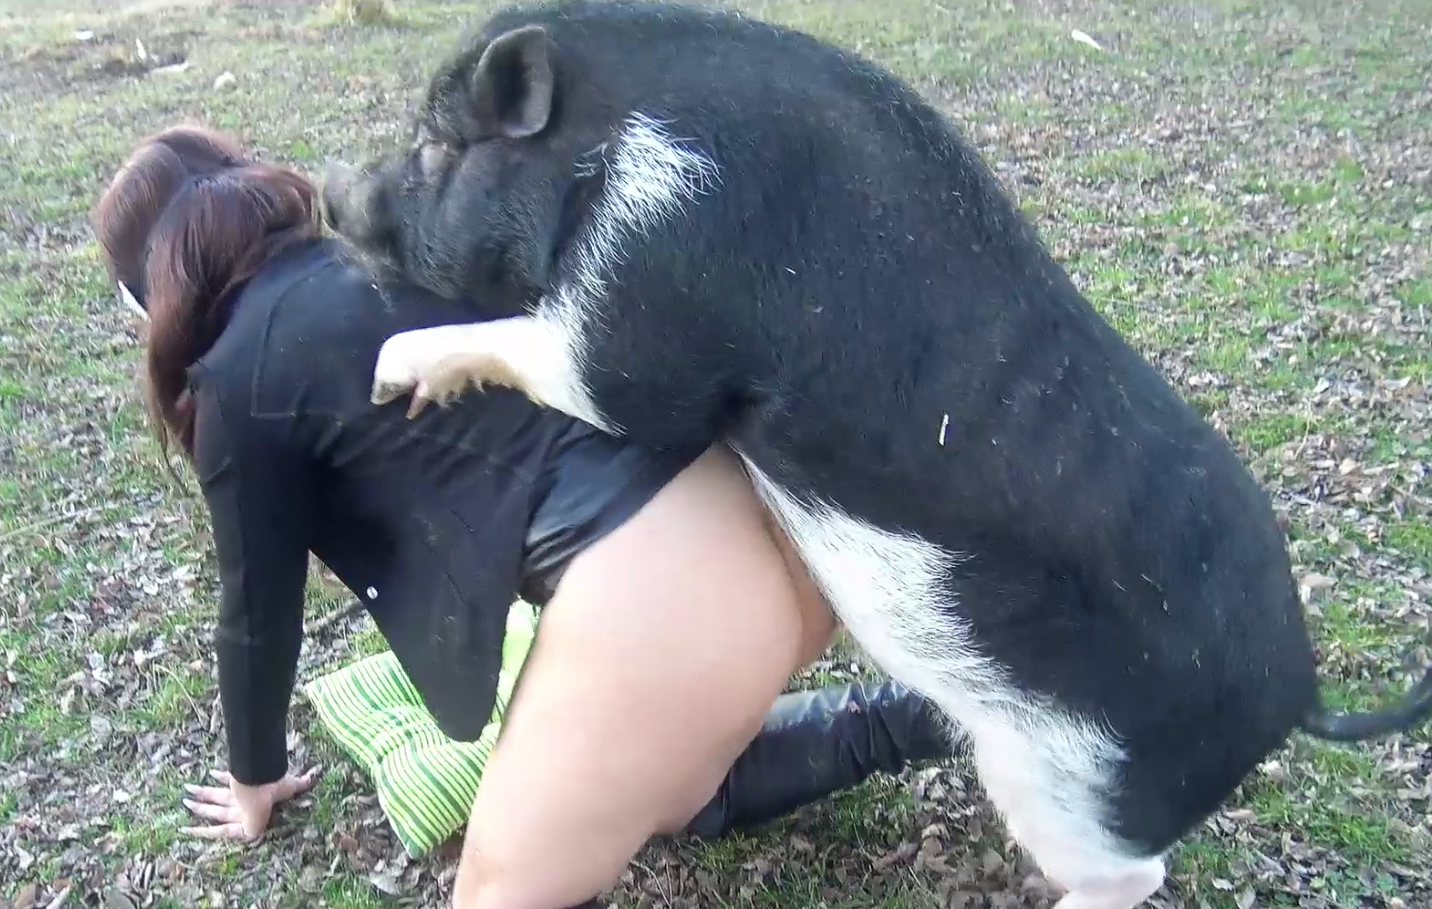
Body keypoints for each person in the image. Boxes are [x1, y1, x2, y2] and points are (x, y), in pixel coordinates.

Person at [91, 124, 951, 909]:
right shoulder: (388, 250)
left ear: (149, 293)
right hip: (785, 521)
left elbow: (256, 612)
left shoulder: (236, 382)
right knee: (661, 786)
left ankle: (942, 712)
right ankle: (936, 711)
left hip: (665, 594)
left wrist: (254, 780)